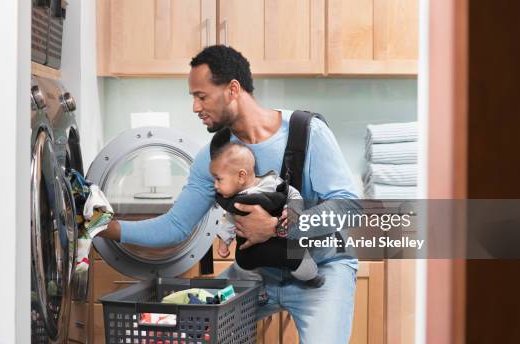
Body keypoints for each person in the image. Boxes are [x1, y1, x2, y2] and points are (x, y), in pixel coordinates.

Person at [98, 45, 359, 343]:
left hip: (321, 271)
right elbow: (175, 226)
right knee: (184, 330)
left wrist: (278, 227)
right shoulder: (215, 157)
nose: (195, 107)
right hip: (259, 276)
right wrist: (104, 227)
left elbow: (348, 207)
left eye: (201, 96)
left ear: (233, 89)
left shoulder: (307, 132)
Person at [210, 142, 325, 288]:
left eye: (219, 179)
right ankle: (257, 292)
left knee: (301, 259)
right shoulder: (233, 200)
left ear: (241, 176)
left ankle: (311, 277)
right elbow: (231, 222)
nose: (215, 185)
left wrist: (292, 210)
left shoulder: (271, 182)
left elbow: (293, 194)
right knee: (242, 267)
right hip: (250, 251)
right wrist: (223, 241)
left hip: (283, 242)